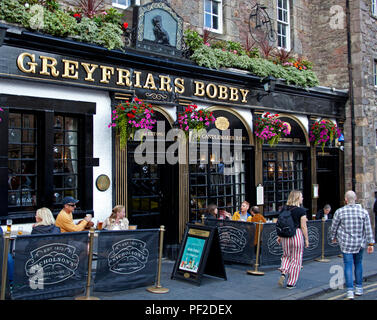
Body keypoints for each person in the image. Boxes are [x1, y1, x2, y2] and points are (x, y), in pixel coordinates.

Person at [330, 190, 375, 300]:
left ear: (346, 200)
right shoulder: (363, 212)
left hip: (346, 244)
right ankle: (359, 288)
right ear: (355, 199)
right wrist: (371, 243)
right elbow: (368, 229)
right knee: (358, 264)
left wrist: (333, 238)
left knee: (348, 266)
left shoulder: (340, 212)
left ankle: (350, 291)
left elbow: (333, 227)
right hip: (359, 243)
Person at [277, 190, 309, 289]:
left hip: (285, 236)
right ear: (297, 198)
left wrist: (279, 236)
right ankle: (291, 283)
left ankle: (284, 271)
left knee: (286, 255)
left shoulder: (283, 209)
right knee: (296, 259)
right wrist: (306, 239)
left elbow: (281, 223)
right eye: (301, 197)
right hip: (297, 235)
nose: (302, 198)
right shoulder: (301, 211)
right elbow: (303, 227)